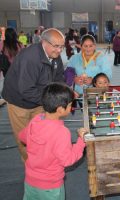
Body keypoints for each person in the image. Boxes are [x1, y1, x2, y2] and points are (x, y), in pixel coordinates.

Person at [2, 28, 66, 161]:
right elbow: (26, 90)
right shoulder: (30, 58)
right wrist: (51, 101)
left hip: (40, 100)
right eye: (56, 46)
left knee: (41, 134)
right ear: (44, 42)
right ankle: (31, 168)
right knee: (24, 139)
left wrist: (64, 92)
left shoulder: (55, 57)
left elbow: (59, 78)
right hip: (18, 102)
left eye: (62, 47)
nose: (59, 50)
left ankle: (42, 161)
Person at [19, 82, 87, 200]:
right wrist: (81, 141)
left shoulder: (36, 119)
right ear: (60, 109)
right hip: (51, 186)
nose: (71, 107)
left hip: (30, 180)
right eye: (70, 105)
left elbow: (22, 137)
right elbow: (68, 160)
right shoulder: (61, 132)